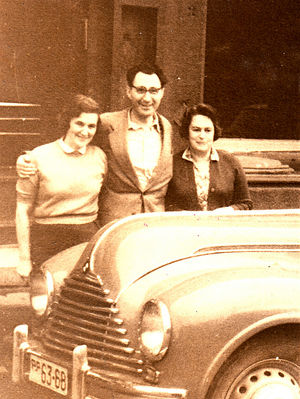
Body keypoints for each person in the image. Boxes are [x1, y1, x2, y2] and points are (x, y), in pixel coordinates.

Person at [17, 62, 173, 227]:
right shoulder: (106, 123)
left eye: (154, 91)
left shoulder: (167, 127)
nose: (147, 98)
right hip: (114, 222)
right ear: (129, 91)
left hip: (154, 220)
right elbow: (67, 142)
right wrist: (25, 159)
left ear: (162, 92)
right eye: (140, 90)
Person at [15, 94, 107, 279]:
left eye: (91, 126)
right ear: (68, 122)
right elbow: (22, 210)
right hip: (48, 238)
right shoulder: (37, 157)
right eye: (79, 124)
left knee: (82, 299)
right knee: (45, 300)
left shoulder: (100, 156)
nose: (85, 131)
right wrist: (24, 258)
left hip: (85, 238)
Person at [165, 103, 252, 212]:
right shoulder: (172, 163)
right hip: (186, 227)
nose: (202, 136)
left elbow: (246, 203)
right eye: (196, 130)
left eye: (207, 130)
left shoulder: (231, 162)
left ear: (214, 132)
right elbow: (166, 204)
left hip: (222, 226)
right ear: (187, 131)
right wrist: (186, 216)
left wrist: (229, 210)